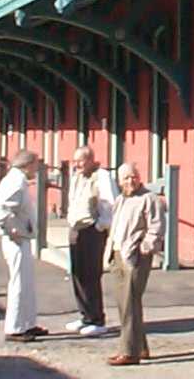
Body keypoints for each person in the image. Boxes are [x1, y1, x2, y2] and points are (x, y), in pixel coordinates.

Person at [104, 162, 165, 367]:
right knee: (126, 303)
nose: (130, 181)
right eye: (126, 178)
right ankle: (140, 347)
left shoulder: (149, 198)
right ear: (119, 182)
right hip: (118, 253)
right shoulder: (121, 200)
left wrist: (147, 245)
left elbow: (156, 226)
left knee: (130, 302)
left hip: (135, 256)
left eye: (134, 177)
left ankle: (129, 351)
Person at [0, 149, 48, 342]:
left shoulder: (14, 179)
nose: (36, 169)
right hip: (16, 239)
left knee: (26, 282)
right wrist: (12, 228)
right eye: (35, 164)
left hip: (21, 237)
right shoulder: (16, 181)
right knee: (19, 282)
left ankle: (27, 323)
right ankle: (15, 327)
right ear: (27, 165)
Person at [64, 146, 117, 337]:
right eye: (75, 160)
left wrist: (100, 226)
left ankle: (97, 318)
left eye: (81, 160)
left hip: (91, 230)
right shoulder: (76, 177)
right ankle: (84, 314)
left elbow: (109, 204)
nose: (77, 164)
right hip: (76, 228)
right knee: (77, 273)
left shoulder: (101, 176)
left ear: (91, 159)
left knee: (91, 274)